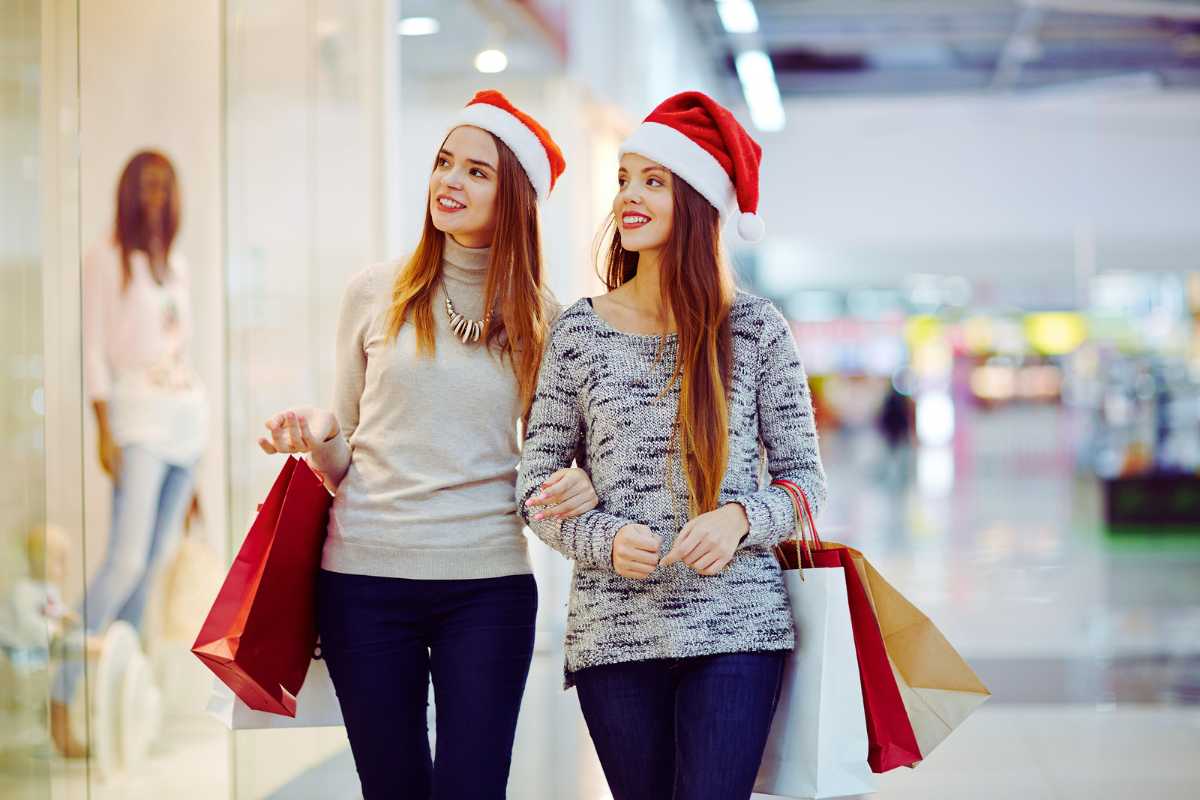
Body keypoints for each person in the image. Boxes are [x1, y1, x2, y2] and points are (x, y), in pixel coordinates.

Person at [257, 91, 596, 800]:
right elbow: (345, 447)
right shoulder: (373, 292)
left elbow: (551, 460)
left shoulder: (544, 317)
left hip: (489, 587)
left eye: (477, 171)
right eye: (445, 163)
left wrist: (581, 483)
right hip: (365, 582)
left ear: (514, 199)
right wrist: (321, 437)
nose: (450, 181)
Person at [518, 91, 828, 800]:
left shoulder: (755, 330)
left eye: (653, 181)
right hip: (613, 635)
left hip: (736, 630)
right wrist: (601, 537)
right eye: (624, 177)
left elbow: (808, 483)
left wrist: (741, 518)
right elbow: (535, 484)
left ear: (696, 201)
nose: (628, 195)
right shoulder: (578, 332)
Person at [51, 150, 207, 758]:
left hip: (185, 423)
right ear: (127, 191)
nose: (155, 196)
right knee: (123, 561)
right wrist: (102, 428)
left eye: (164, 186)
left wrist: (195, 472)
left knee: (154, 562)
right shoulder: (105, 256)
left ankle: (125, 701)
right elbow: (93, 349)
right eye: (145, 185)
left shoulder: (176, 266)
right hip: (136, 419)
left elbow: (180, 354)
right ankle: (62, 692)